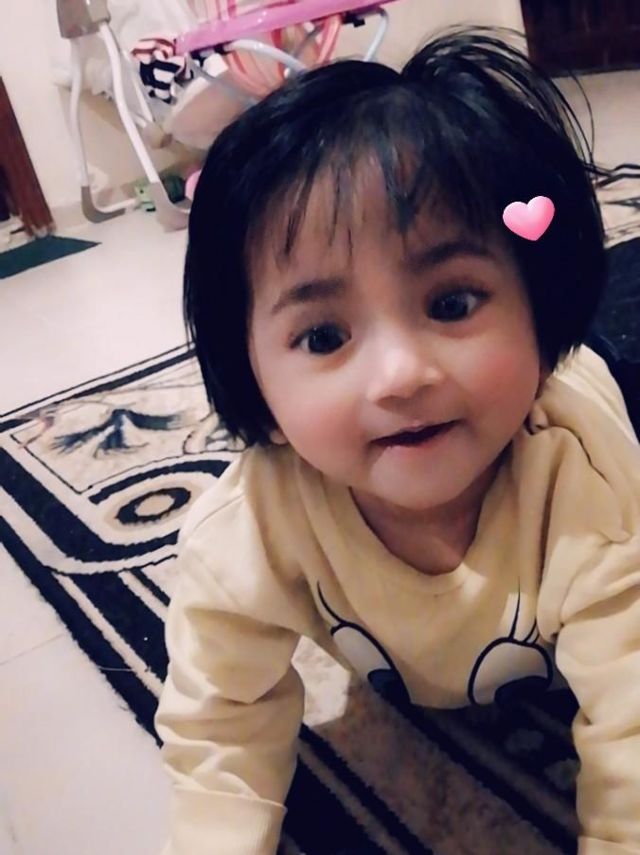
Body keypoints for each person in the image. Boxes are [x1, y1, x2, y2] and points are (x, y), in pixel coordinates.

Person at [155, 27, 640, 855]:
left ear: (535, 307)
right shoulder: (251, 529)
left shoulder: (586, 493)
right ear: (251, 377)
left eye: (451, 303)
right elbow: (219, 723)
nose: (400, 375)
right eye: (324, 336)